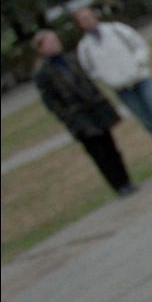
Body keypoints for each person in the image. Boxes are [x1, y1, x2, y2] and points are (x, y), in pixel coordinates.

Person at [73, 6, 152, 169]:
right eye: (83, 20)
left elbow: (139, 45)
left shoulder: (116, 29)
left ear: (94, 16)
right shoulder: (85, 47)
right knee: (149, 123)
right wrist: (108, 79)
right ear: (80, 25)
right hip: (122, 89)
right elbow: (90, 70)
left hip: (141, 80)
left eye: (88, 16)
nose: (87, 20)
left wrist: (138, 63)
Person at [32, 29, 135, 196]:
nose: (56, 43)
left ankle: (127, 180)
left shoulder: (71, 59)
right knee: (99, 153)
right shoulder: (42, 73)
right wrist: (70, 118)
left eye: (56, 40)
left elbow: (88, 82)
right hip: (79, 117)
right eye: (51, 42)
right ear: (41, 48)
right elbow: (51, 102)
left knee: (110, 146)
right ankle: (119, 185)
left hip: (95, 109)